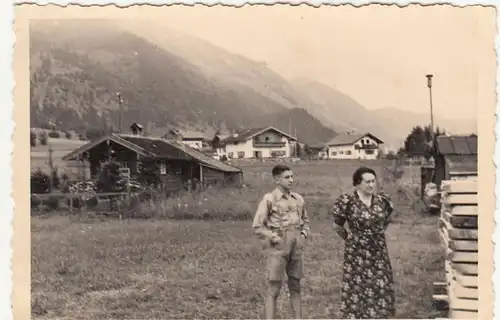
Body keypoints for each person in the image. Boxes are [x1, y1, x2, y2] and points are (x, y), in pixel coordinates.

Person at [331, 166, 396, 319]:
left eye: (373, 181)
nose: (371, 185)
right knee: (358, 285)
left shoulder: (382, 200)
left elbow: (387, 219)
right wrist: (350, 238)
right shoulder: (347, 201)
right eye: (367, 182)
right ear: (357, 183)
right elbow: (337, 226)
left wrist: (376, 233)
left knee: (379, 282)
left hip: (378, 250)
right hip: (357, 252)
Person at [252, 164, 311, 319]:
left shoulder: (298, 199)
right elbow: (257, 226)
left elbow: (306, 220)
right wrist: (273, 237)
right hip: (278, 247)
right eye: (287, 177)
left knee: (296, 286)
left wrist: (303, 235)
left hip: (296, 246)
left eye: (292, 176)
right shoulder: (269, 199)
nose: (291, 180)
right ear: (277, 179)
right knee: (274, 287)